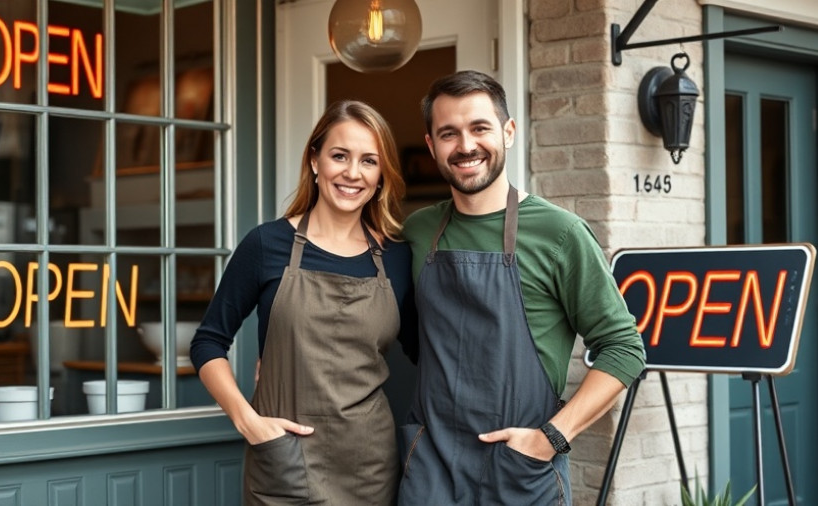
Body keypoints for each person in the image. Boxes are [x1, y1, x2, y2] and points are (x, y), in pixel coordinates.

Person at [396, 70, 646, 505]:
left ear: (508, 132)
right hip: (432, 470)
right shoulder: (418, 231)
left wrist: (551, 438)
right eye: (449, 133)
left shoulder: (560, 233)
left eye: (479, 128)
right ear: (432, 144)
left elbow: (624, 349)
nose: (466, 146)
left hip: (520, 473)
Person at [190, 100, 417, 506]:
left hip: (369, 467)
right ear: (315, 160)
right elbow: (208, 342)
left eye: (369, 160)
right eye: (339, 156)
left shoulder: (398, 258)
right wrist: (249, 422)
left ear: (381, 175)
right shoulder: (266, 245)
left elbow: (429, 351)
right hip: (283, 461)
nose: (352, 173)